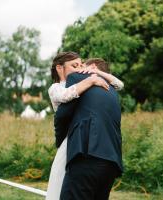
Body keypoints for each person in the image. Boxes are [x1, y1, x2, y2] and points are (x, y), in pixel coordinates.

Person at [46, 52, 123, 200]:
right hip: (74, 142)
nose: (80, 69)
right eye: (75, 66)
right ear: (59, 68)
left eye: (81, 65)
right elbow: (65, 97)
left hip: (83, 144)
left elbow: (119, 84)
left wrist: (96, 73)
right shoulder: (57, 87)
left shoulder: (89, 80)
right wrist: (90, 81)